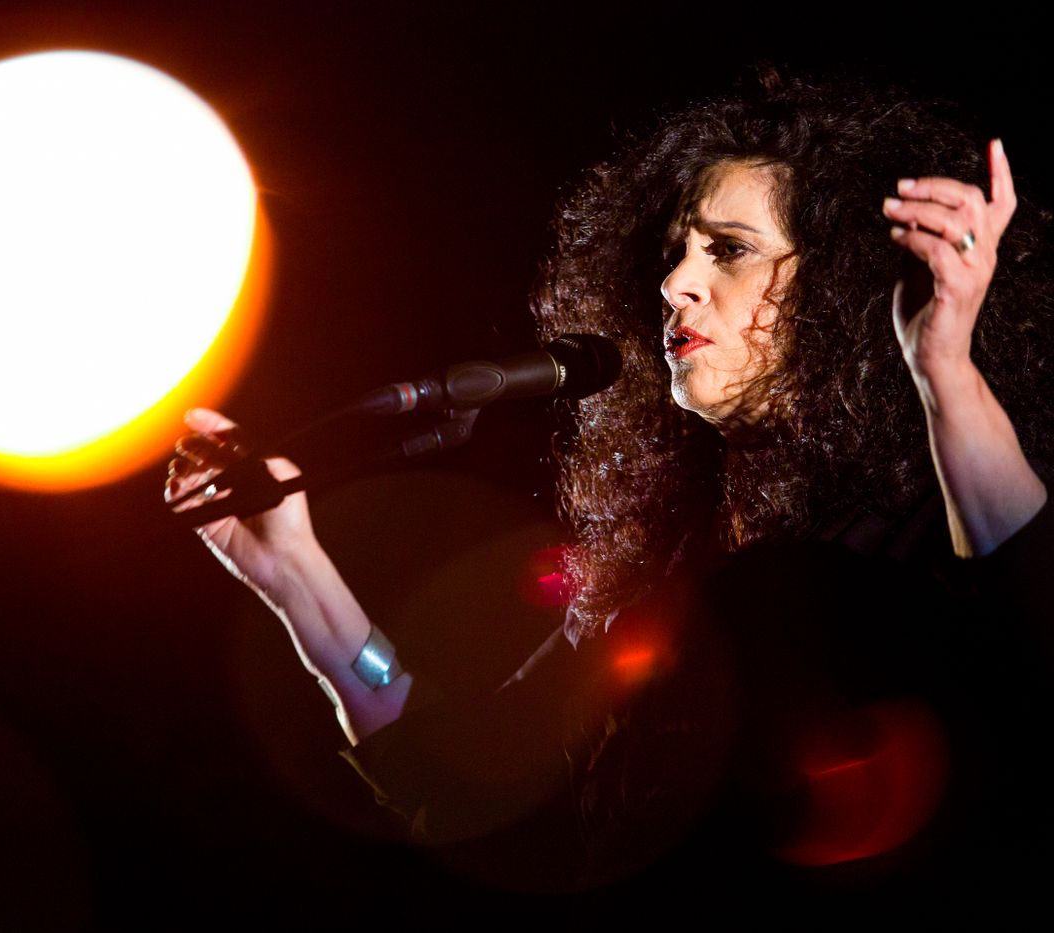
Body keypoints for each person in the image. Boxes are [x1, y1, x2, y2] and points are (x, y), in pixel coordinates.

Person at [165, 70, 1052, 899]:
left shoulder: (904, 539)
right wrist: (293, 571)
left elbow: (1027, 620)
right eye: (675, 253)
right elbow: (462, 789)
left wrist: (944, 367)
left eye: (729, 251)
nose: (675, 284)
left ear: (842, 289)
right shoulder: (661, 585)